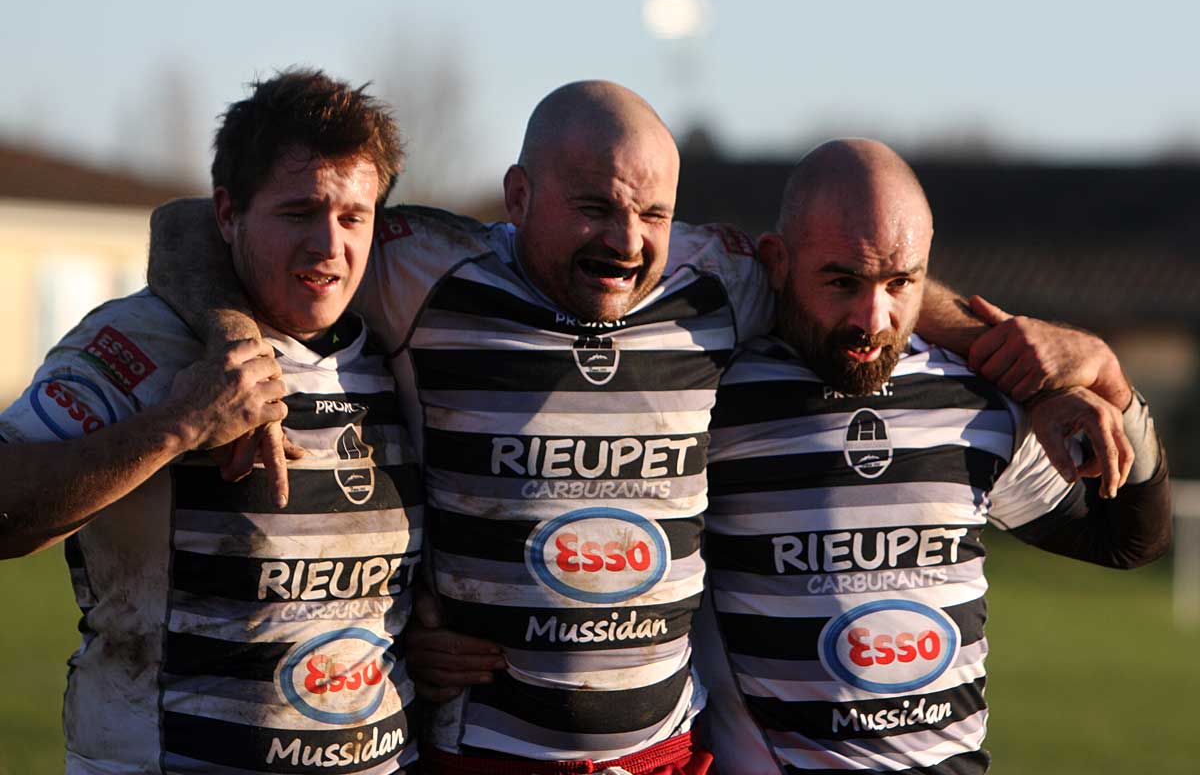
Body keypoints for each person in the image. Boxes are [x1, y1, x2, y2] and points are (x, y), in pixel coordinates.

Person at [146, 81, 1131, 774]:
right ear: (518, 198)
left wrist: (1037, 359)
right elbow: (195, 225)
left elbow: (862, 279)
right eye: (594, 208)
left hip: (670, 754)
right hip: (485, 747)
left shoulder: (714, 279)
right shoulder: (425, 271)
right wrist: (234, 332)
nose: (626, 241)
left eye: (651, 211)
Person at [694, 138, 1171, 773]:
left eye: (901, 283)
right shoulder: (704, 395)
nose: (873, 317)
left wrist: (1110, 380)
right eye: (842, 281)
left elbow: (1125, 539)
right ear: (777, 261)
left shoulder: (971, 399)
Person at [0, 69, 423, 774]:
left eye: (353, 217)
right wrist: (179, 425)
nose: (329, 244)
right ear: (228, 214)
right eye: (297, 212)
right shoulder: (139, 344)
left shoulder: (396, 342)